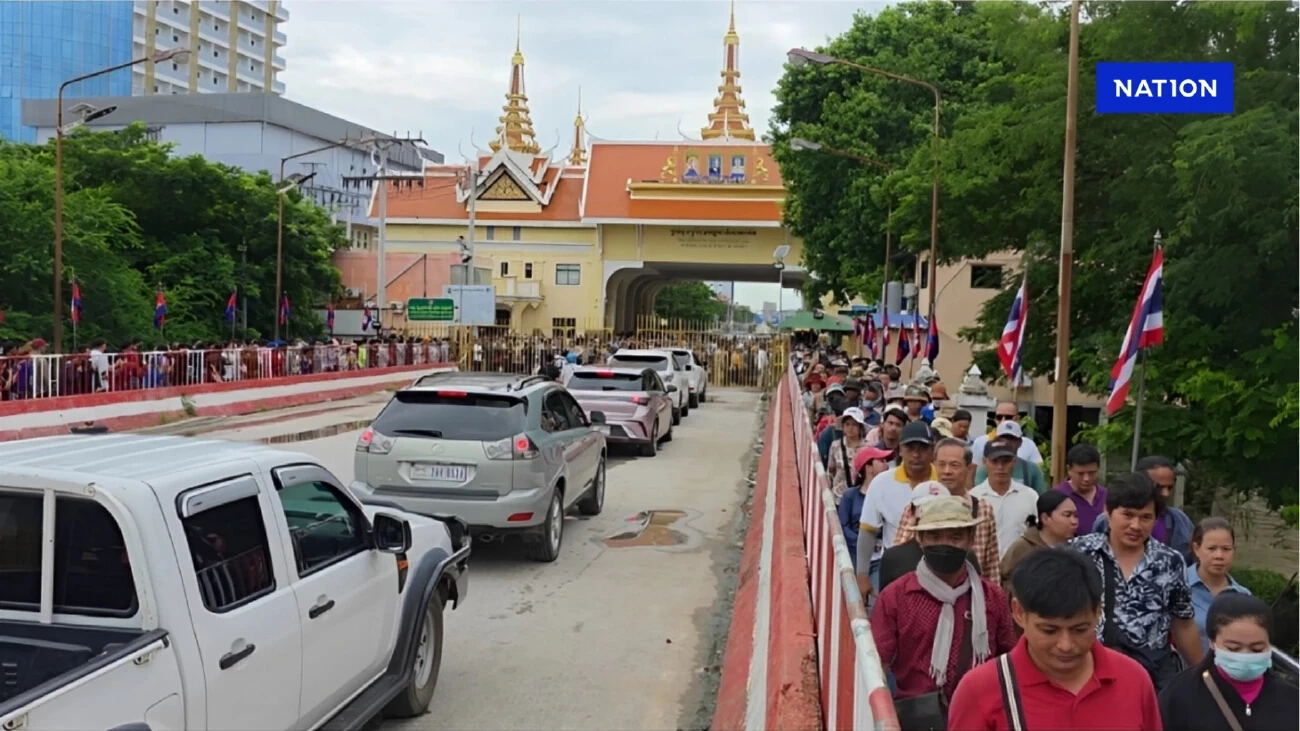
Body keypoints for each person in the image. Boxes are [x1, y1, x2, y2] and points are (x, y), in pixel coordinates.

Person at [947, 549, 1163, 731]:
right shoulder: (980, 690)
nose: (1066, 645)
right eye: (1049, 630)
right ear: (1019, 613)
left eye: (1080, 629)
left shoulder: (1133, 679)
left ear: (1098, 613)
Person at [871, 496, 1016, 721]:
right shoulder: (896, 597)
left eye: (956, 536)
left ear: (970, 539)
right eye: (935, 536)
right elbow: (875, 665)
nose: (945, 543)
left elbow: (1008, 660)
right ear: (919, 539)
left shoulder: (992, 598)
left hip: (981, 716)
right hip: (917, 719)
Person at [1070, 472, 1204, 691]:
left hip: (1150, 676)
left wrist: (1202, 674)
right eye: (1128, 515)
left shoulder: (1169, 562)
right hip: (1088, 672)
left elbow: (1182, 623)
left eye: (1145, 517)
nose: (1136, 525)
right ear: (1108, 511)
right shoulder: (1077, 553)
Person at [1158, 593, 1298, 731]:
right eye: (1233, 648)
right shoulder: (1180, 695)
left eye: (1257, 649)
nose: (1245, 656)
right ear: (1212, 642)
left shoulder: (1291, 698)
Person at [891, 438, 1001, 585]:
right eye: (941, 465)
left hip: (971, 592)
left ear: (968, 468)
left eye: (954, 465)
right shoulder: (918, 507)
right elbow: (899, 556)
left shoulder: (983, 509)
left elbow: (991, 564)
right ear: (934, 465)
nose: (947, 471)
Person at [855, 421, 939, 596]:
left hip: (937, 571)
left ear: (932, 451)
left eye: (922, 448)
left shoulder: (943, 484)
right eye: (910, 448)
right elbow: (868, 531)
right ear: (900, 450)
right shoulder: (882, 483)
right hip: (895, 571)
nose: (916, 454)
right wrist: (862, 575)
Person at [1092, 455, 1195, 559]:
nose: (1165, 493)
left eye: (1170, 487)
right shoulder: (1105, 521)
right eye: (1159, 487)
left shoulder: (1180, 520)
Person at [1186, 517, 1252, 655]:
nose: (1219, 556)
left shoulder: (1243, 596)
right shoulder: (1177, 586)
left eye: (1226, 549)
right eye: (1212, 548)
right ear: (1196, 549)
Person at [998, 491, 1078, 596]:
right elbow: (1003, 582)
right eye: (1067, 515)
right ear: (1045, 518)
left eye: (1075, 515)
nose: (1074, 521)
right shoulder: (1022, 548)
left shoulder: (1077, 549)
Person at [972, 437, 1040, 560]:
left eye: (1005, 461)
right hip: (984, 570)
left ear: (1014, 462)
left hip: (1020, 569)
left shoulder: (1030, 496)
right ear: (985, 462)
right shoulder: (974, 498)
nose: (1000, 467)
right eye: (995, 461)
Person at [838, 446, 894, 571]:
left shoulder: (890, 495)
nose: (887, 465)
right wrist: (864, 543)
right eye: (881, 461)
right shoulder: (849, 496)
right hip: (854, 559)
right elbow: (843, 527)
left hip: (881, 560)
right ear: (868, 467)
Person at [973, 420, 1049, 494]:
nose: (1007, 442)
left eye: (1012, 438)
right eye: (1003, 438)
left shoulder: (1031, 469)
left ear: (1020, 442)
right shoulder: (985, 468)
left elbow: (1041, 498)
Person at [1055, 443, 1107, 537]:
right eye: (1080, 474)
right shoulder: (1057, 496)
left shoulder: (1108, 496)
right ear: (1069, 470)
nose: (1086, 478)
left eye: (1091, 473)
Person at [972, 401, 1045, 465]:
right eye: (999, 417)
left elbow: (1038, 471)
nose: (1003, 421)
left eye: (1008, 417)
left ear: (1017, 419)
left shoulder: (1028, 444)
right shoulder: (980, 442)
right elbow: (974, 472)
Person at [826, 407, 870, 502]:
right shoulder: (835, 446)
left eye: (854, 425)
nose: (850, 428)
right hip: (838, 497)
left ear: (860, 427)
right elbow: (830, 472)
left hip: (860, 497)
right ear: (843, 427)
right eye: (847, 424)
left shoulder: (867, 447)